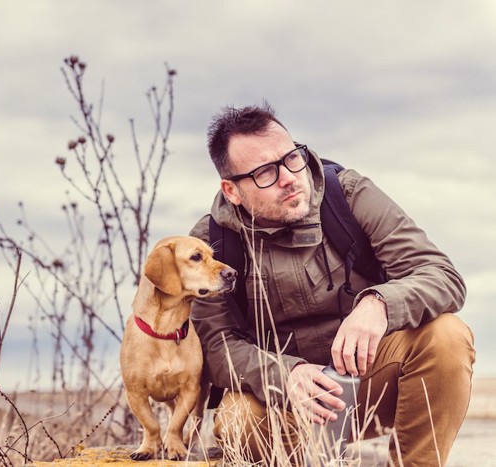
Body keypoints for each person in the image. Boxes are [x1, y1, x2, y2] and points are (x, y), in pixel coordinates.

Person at [189, 102, 475, 466]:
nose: (290, 177)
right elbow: (215, 344)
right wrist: (285, 374)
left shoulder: (349, 194)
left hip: (370, 381)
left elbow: (441, 275)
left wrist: (380, 303)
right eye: (265, 173)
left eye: (292, 158)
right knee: (235, 419)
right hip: (284, 402)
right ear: (231, 190)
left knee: (446, 336)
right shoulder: (210, 245)